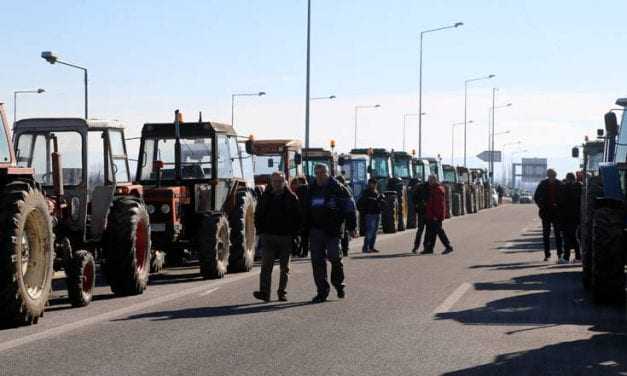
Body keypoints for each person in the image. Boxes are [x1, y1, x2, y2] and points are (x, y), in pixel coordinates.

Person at [305, 164, 357, 303]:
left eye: (322, 173)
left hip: (333, 230)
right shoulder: (311, 189)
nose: (319, 175)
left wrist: (352, 226)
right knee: (317, 262)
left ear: (328, 173)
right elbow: (305, 209)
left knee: (335, 258)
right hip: (315, 230)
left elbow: (350, 208)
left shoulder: (338, 188)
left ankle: (339, 285)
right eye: (317, 173)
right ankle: (322, 292)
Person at [253, 172, 302, 302]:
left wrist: (295, 235)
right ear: (271, 182)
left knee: (284, 267)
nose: (277, 184)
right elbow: (258, 214)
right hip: (268, 236)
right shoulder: (265, 196)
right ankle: (265, 292)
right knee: (266, 266)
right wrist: (260, 230)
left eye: (280, 181)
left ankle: (282, 292)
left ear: (285, 181)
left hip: (286, 237)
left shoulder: (292, 197)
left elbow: (298, 218)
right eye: (274, 181)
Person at [534, 168, 563, 262]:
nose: (552, 178)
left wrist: (560, 205)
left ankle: (560, 254)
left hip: (557, 212)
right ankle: (547, 254)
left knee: (558, 234)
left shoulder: (560, 184)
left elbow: (564, 197)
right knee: (546, 234)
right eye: (550, 176)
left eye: (553, 176)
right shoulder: (543, 184)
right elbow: (536, 197)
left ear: (555, 176)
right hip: (546, 212)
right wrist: (541, 206)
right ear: (548, 176)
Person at [422, 175, 454, 255]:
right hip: (432, 214)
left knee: (439, 231)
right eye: (428, 180)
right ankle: (429, 248)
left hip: (436, 215)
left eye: (430, 180)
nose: (428, 182)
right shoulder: (433, 189)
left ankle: (448, 246)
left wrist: (436, 216)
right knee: (432, 232)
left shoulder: (438, 190)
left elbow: (439, 205)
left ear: (434, 180)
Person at [357, 178, 385, 253]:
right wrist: (370, 201)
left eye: (375, 184)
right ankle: (365, 248)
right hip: (370, 214)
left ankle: (371, 247)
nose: (374, 185)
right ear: (369, 183)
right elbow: (360, 202)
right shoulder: (365, 192)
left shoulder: (377, 192)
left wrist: (381, 201)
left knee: (375, 232)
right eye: (372, 183)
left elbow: (380, 202)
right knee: (369, 231)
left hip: (377, 213)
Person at [560, 172, 582, 263]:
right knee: (574, 237)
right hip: (577, 216)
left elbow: (561, 201)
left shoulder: (565, 187)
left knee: (567, 238)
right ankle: (578, 257)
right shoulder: (580, 186)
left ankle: (566, 257)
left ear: (567, 179)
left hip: (566, 216)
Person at [292, 177, 310, 258]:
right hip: (309, 214)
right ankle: (305, 251)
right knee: (306, 236)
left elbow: (297, 203)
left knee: (303, 236)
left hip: (301, 215)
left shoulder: (299, 190)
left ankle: (302, 252)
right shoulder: (310, 189)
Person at [411, 179, 430, 253]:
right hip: (423, 212)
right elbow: (414, 199)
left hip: (426, 212)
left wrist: (417, 205)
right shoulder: (422, 188)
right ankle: (417, 246)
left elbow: (413, 199)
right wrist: (419, 205)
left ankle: (419, 247)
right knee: (422, 230)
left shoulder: (429, 188)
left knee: (423, 231)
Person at [336, 175, 352, 257]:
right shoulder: (345, 189)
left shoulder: (345, 190)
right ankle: (344, 250)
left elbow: (350, 204)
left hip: (342, 215)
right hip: (342, 215)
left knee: (343, 233)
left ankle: (344, 250)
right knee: (343, 233)